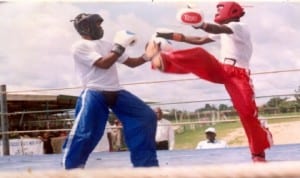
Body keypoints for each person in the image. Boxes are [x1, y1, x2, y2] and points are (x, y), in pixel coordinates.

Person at [145, 1, 273, 162]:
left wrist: (200, 23)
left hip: (238, 75)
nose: (217, 12)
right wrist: (170, 35)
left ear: (232, 11)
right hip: (222, 69)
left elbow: (218, 28)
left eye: (220, 9)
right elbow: (199, 39)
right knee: (199, 54)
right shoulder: (225, 30)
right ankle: (163, 61)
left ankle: (258, 154)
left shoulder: (239, 27)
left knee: (247, 114)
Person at [62, 13, 159, 169]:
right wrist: (119, 46)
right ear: (86, 27)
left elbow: (132, 63)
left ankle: (146, 166)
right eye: (98, 24)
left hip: (116, 91)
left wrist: (148, 55)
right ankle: (71, 169)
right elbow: (103, 64)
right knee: (85, 132)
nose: (101, 28)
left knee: (146, 117)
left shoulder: (107, 44)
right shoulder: (79, 46)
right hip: (94, 92)